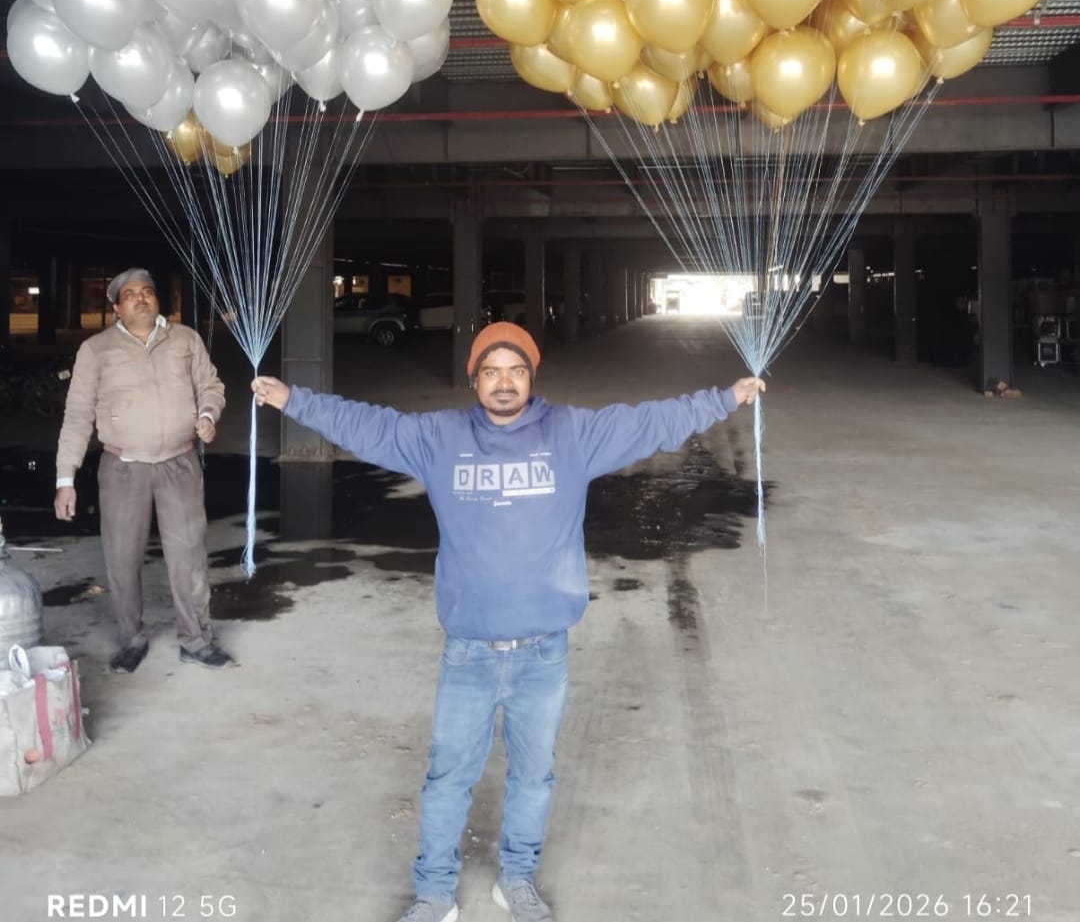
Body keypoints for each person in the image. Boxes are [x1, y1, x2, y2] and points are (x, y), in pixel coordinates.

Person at [252, 319, 763, 922]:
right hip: (468, 649)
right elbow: (366, 425)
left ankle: (516, 880)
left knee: (533, 778)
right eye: (491, 371)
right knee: (447, 778)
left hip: (543, 651)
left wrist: (725, 398)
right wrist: (292, 398)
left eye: (516, 371)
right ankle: (434, 894)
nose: (504, 383)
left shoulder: (573, 433)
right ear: (474, 379)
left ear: (531, 377)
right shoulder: (438, 439)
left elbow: (651, 421)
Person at [54, 268, 233, 673]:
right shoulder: (96, 350)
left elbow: (211, 385)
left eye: (148, 291)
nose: (141, 298)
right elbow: (78, 416)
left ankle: (196, 640)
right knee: (122, 557)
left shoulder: (185, 339)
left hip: (179, 462)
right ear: (116, 307)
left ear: (158, 300)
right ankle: (131, 640)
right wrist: (66, 478)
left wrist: (208, 414)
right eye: (130, 294)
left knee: (188, 556)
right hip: (122, 467)